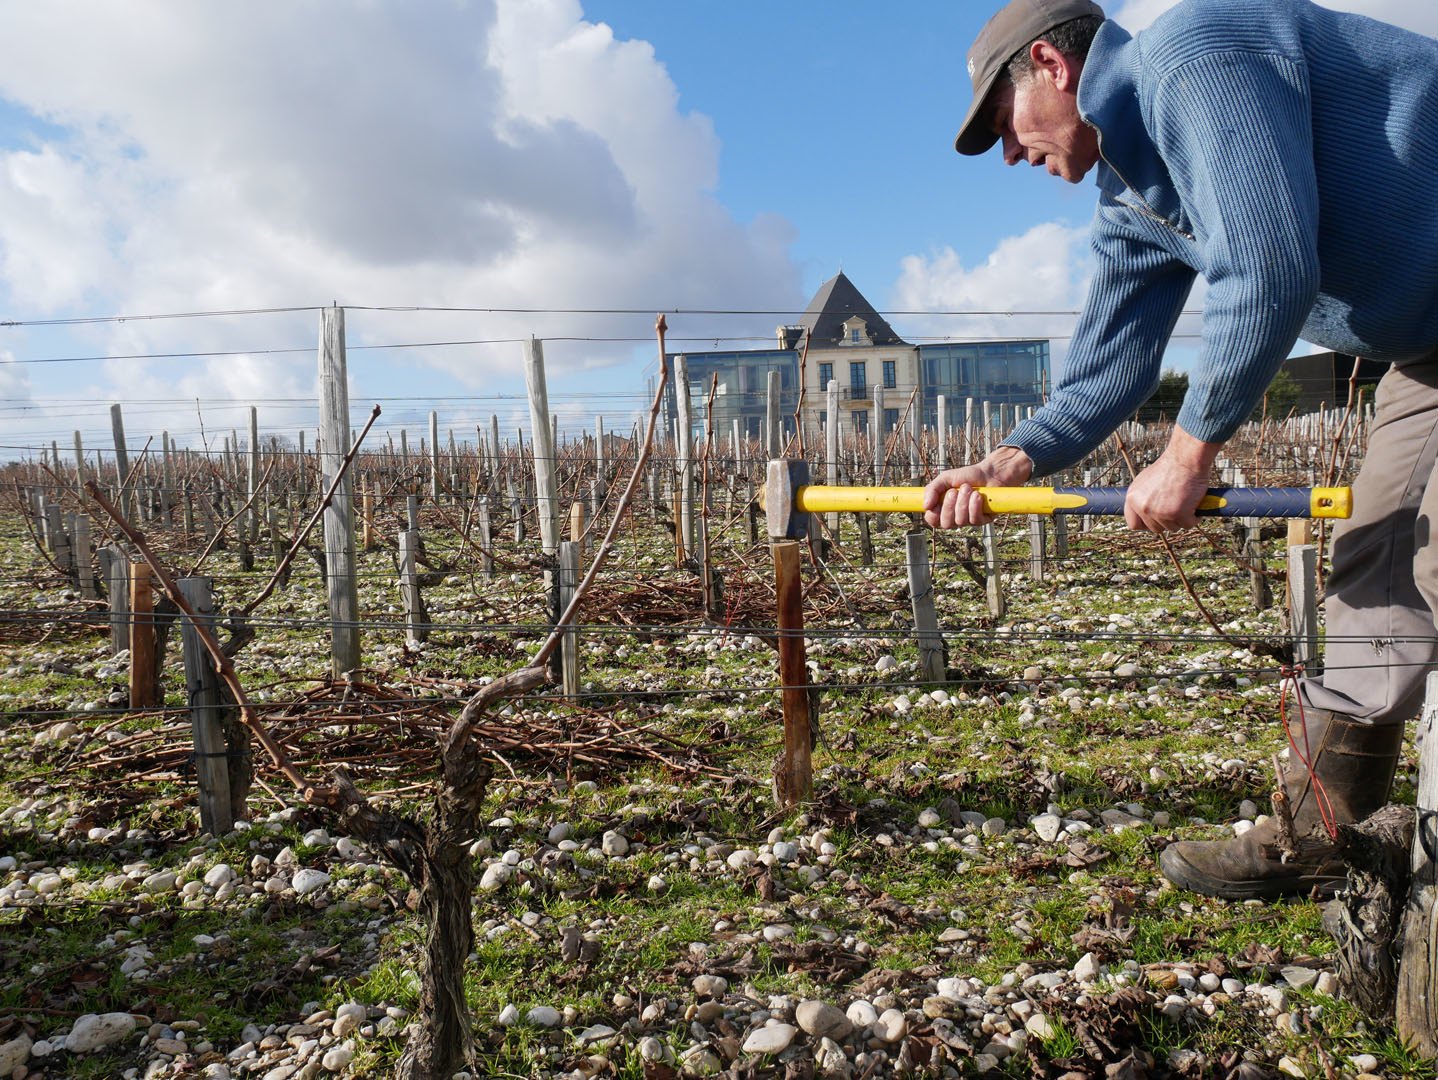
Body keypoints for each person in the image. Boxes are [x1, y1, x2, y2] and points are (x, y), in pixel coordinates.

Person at [924, 0, 1438, 900]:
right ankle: (1321, 835)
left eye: (1001, 126)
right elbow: (1105, 370)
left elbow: (1271, 265)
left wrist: (1189, 455)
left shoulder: (1196, 56)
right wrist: (1000, 464)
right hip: (1428, 354)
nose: (1008, 153)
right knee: (1384, 557)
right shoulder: (1132, 197)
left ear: (1050, 63)